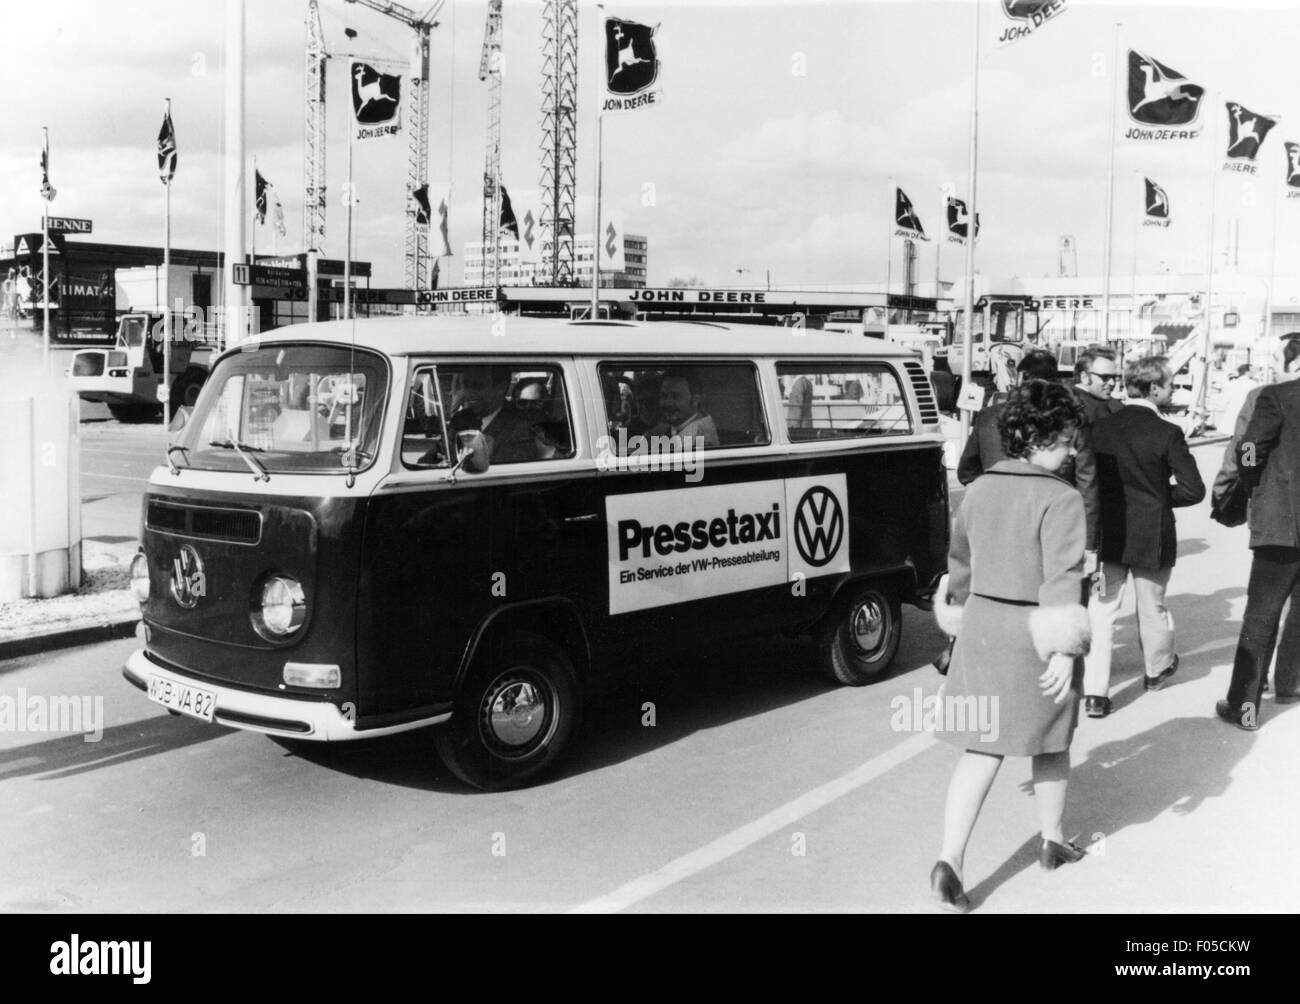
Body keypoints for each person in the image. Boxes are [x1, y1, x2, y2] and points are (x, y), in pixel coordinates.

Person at [930, 380, 1092, 913]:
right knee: (1051, 741)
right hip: (1035, 633)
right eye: (1068, 440)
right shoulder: (1062, 499)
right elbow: (1061, 581)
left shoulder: (978, 489)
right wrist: (1066, 650)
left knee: (983, 746)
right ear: (1042, 438)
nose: (1073, 451)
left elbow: (960, 566)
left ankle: (949, 859)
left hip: (981, 624)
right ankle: (1053, 839)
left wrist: (955, 612)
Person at [1082, 356, 1205, 717]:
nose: (1172, 390)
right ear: (1154, 389)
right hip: (1152, 534)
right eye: (1169, 384)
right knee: (1153, 606)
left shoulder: (1099, 430)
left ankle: (1095, 693)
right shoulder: (1167, 432)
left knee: (1101, 611)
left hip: (1108, 537)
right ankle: (1157, 669)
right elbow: (1193, 490)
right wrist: (1156, 497)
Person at [1217, 337, 1300, 730]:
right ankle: (1289, 685)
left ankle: (1245, 707)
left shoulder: (1277, 396)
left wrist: (1255, 482)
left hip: (1279, 524)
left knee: (1261, 616)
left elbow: (1249, 448)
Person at [443, 366, 537, 463]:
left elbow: (520, 470)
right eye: (466, 385)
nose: (469, 393)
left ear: (501, 388)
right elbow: (438, 454)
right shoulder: (460, 418)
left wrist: (485, 456)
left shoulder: (521, 426)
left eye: (478, 386)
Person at [649, 368, 719, 447]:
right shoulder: (667, 428)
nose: (667, 403)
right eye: (663, 396)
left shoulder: (701, 440)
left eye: (676, 397)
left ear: (695, 400)